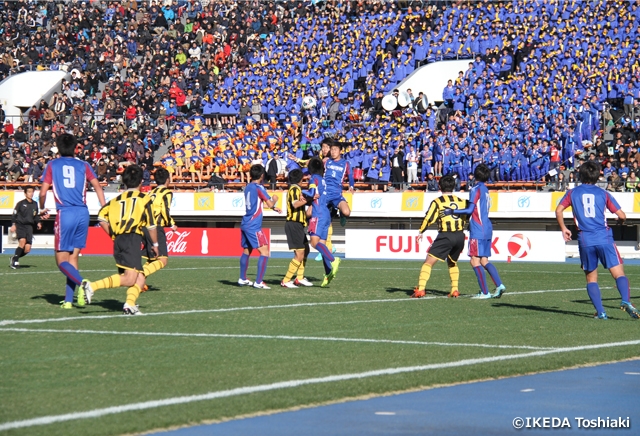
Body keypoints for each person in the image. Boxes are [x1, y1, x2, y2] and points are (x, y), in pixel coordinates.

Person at [555, 161, 639, 319]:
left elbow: (558, 210)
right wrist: (620, 222)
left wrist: (564, 228)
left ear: (580, 175)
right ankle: (626, 301)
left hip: (585, 239)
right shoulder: (603, 193)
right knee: (619, 274)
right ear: (597, 176)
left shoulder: (572, 193)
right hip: (604, 237)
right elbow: (622, 215)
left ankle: (601, 312)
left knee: (591, 278)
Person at [78, 165, 158, 315]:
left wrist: (113, 235)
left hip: (120, 239)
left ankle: (129, 304)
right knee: (130, 279)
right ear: (141, 181)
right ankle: (92, 286)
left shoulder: (115, 200)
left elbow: (101, 217)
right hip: (132, 238)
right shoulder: (144, 199)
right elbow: (152, 226)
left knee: (140, 278)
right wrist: (155, 244)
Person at [39, 133, 106, 309]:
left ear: (58, 148)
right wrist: (104, 208)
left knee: (61, 261)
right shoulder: (84, 165)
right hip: (83, 213)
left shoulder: (52, 164)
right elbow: (98, 187)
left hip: (66, 213)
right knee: (73, 258)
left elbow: (43, 192)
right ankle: (70, 300)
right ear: (75, 148)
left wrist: (41, 207)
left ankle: (84, 283)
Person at [443, 164, 506, 299]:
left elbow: (470, 210)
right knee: (484, 260)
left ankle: (485, 292)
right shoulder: (485, 189)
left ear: (474, 175)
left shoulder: (475, 189)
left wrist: (453, 211)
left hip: (478, 228)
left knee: (474, 260)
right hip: (487, 227)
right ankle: (499, 285)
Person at [412, 175, 468, 298]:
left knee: (428, 262)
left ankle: (420, 289)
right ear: (454, 186)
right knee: (452, 263)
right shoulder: (463, 201)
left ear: (439, 186)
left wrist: (421, 231)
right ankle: (454, 290)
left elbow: (429, 218)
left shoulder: (437, 202)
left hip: (446, 235)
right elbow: (468, 216)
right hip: (460, 236)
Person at [238, 164, 282, 289]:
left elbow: (258, 203)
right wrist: (274, 199)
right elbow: (269, 203)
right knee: (265, 252)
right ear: (262, 175)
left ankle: (242, 278)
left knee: (247, 251)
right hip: (253, 225)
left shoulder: (248, 187)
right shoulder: (259, 187)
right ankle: (258, 282)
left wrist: (273, 208)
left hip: (246, 222)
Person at [306, 157, 341, 287]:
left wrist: (303, 194)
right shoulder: (323, 180)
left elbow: (311, 193)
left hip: (318, 214)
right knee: (322, 245)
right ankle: (328, 273)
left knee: (314, 242)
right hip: (326, 214)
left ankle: (333, 260)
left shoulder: (313, 179)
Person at [141, 168, 177, 290]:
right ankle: (139, 275)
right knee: (162, 260)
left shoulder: (150, 192)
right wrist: (171, 224)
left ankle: (140, 284)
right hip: (155, 227)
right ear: (167, 180)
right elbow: (165, 210)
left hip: (145, 226)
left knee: (152, 259)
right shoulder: (166, 193)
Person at [281, 169, 313, 288]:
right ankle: (286, 280)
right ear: (301, 179)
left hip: (298, 224)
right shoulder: (295, 189)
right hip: (294, 224)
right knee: (299, 253)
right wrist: (309, 199)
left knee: (306, 250)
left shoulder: (296, 189)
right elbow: (295, 204)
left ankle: (299, 278)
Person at [9, 187, 42, 269]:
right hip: (21, 225)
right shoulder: (20, 203)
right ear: (25, 193)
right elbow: (14, 214)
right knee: (22, 241)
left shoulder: (35, 204)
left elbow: (35, 215)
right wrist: (13, 224)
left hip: (29, 227)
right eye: (29, 192)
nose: (31, 193)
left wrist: (38, 222)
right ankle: (15, 263)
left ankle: (14, 257)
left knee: (27, 249)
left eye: (32, 192)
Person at [324, 140, 354, 227]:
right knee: (310, 212)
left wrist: (351, 186)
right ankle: (332, 209)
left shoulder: (346, 163)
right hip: (325, 192)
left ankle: (340, 212)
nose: (333, 152)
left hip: (336, 193)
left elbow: (350, 176)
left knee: (347, 212)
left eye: (335, 149)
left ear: (340, 151)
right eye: (332, 149)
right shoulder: (326, 161)